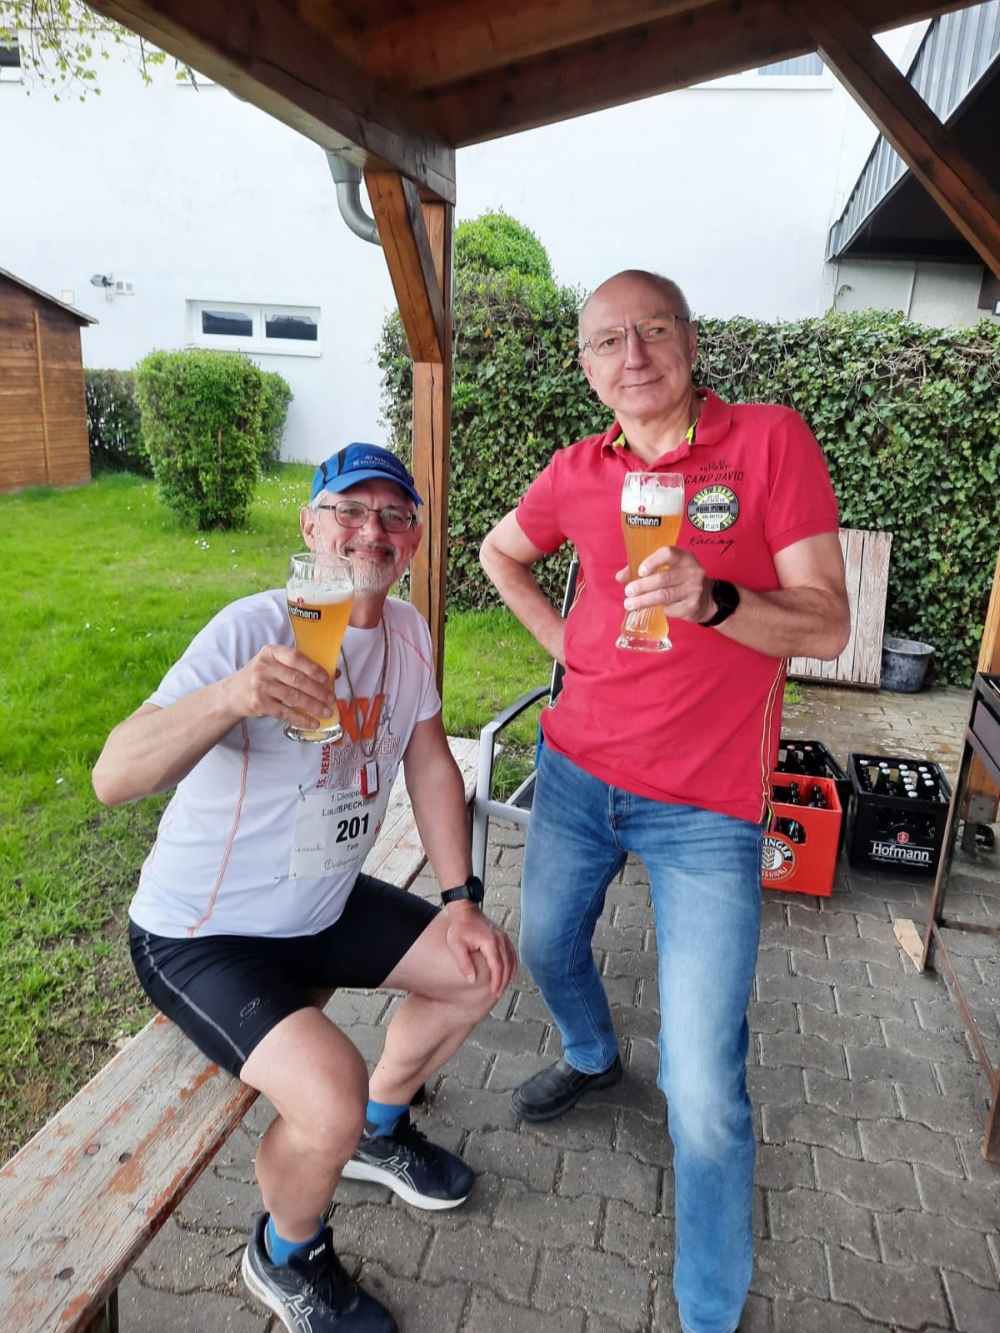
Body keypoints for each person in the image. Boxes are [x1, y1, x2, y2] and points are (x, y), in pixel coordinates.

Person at [479, 271, 850, 1333]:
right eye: (607, 339)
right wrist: (565, 646)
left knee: (703, 1092)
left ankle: (707, 1312)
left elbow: (828, 624)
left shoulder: (769, 441)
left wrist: (715, 599)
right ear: (586, 366)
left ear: (689, 340)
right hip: (575, 772)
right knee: (544, 944)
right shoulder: (577, 469)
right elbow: (501, 552)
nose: (631, 354)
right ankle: (593, 1055)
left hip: (706, 808)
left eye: (651, 330)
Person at [93, 443, 517, 1333]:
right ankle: (285, 1253)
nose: (371, 530)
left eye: (393, 514)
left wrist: (463, 899)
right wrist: (231, 697)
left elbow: (429, 760)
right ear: (311, 527)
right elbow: (113, 775)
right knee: (327, 1091)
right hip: (202, 933)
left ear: (412, 540)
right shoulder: (251, 629)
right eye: (349, 510)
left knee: (477, 964)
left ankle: (380, 1129)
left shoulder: (408, 634)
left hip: (322, 900)